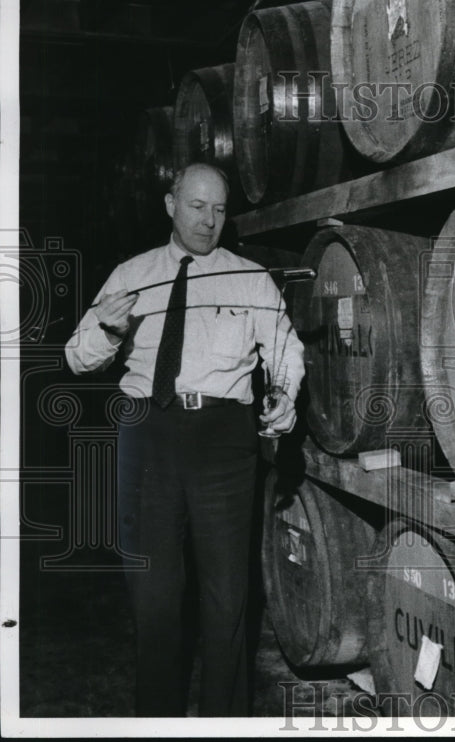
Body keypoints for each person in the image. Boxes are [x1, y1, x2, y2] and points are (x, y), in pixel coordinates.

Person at [65, 162, 304, 717]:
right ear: (171, 204)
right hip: (146, 438)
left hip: (224, 440)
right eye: (197, 206)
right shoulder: (131, 274)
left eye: (220, 209)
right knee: (155, 600)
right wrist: (108, 327)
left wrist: (285, 395)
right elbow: (77, 358)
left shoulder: (250, 277)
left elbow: (285, 351)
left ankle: (226, 724)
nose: (209, 220)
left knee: (227, 600)